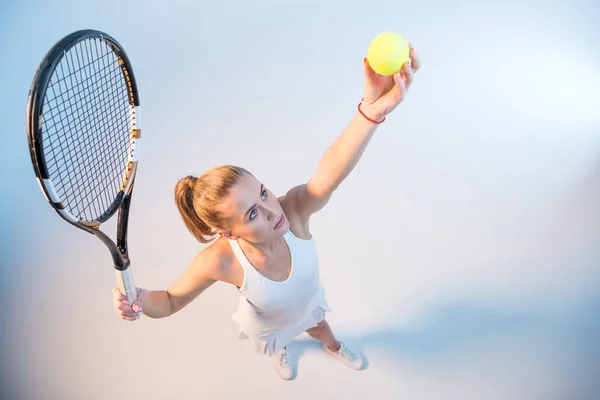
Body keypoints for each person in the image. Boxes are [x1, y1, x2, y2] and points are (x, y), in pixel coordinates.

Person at [113, 43, 421, 380]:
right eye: (252, 215)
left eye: (263, 193)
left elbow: (328, 177)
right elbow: (170, 300)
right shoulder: (220, 261)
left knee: (319, 325)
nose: (272, 210)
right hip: (268, 319)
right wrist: (141, 299)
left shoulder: (294, 212)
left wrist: (371, 112)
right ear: (228, 233)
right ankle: (282, 348)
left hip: (306, 302)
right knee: (277, 339)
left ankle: (332, 346)